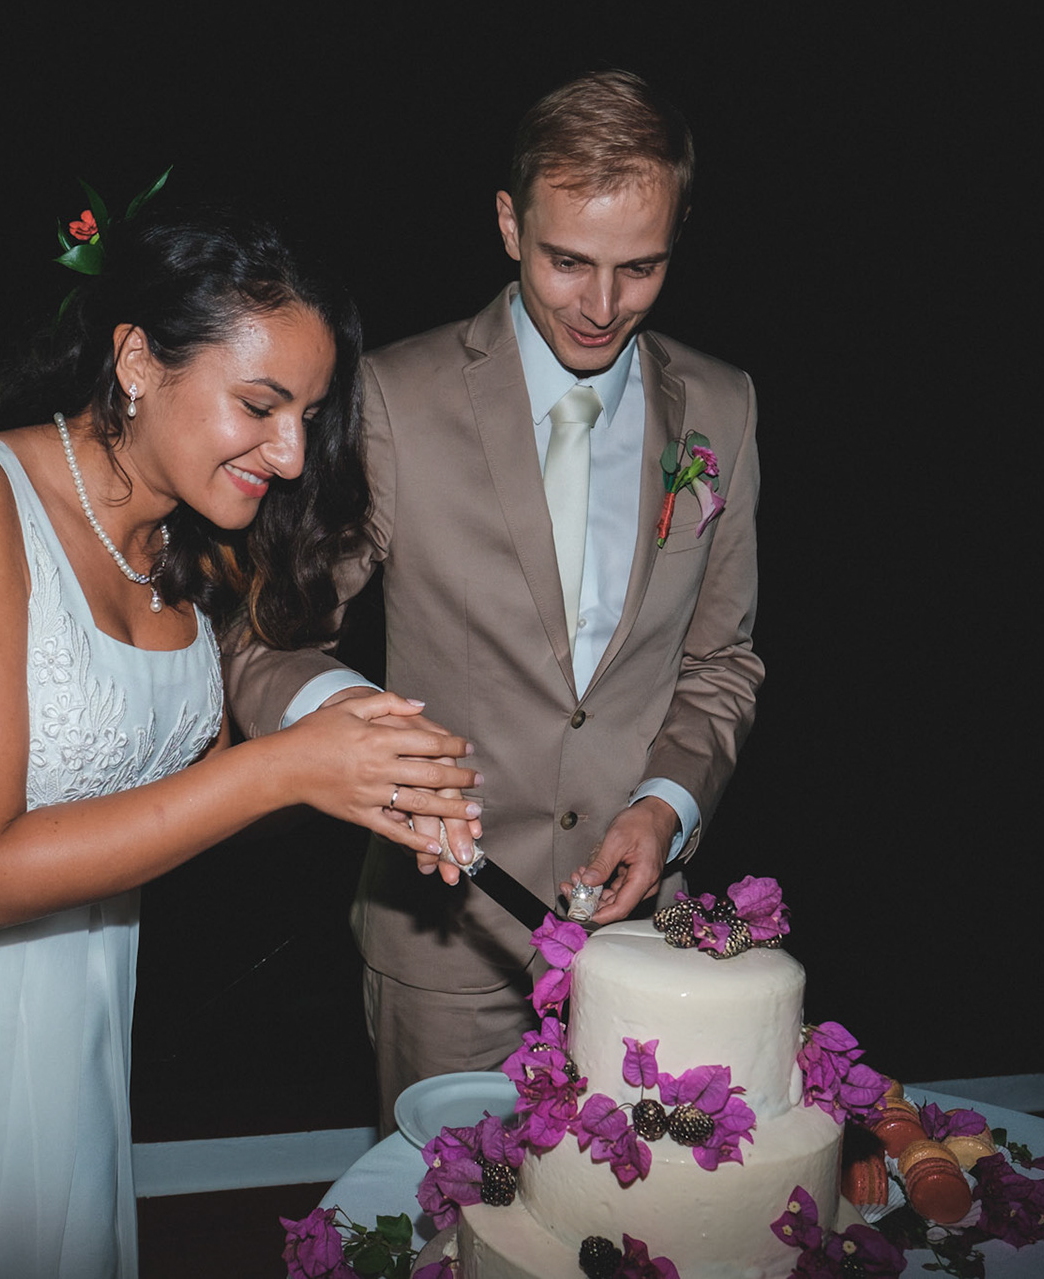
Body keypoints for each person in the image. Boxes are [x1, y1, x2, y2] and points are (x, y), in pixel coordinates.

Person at [0, 205, 482, 1279]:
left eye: (308, 414)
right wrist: (283, 769)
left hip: (80, 1002)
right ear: (138, 361)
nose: (293, 452)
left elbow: (183, 788)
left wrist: (367, 777)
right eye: (259, 405)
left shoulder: (182, 546)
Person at [223, 69, 764, 1132]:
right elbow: (267, 640)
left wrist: (666, 807)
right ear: (510, 224)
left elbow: (721, 662)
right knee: (441, 1211)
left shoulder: (725, 407)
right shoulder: (394, 396)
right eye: (568, 262)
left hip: (643, 944)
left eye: (640, 267)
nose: (601, 307)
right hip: (444, 942)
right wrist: (362, 730)